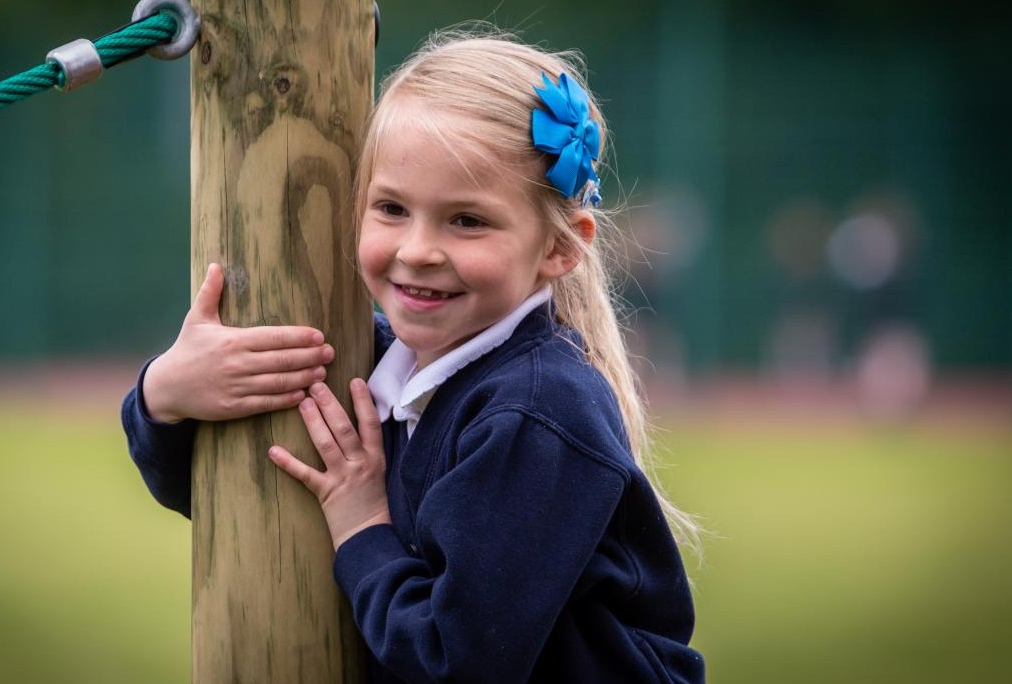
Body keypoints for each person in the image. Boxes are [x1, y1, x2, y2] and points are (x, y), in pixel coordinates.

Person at [122, 28, 704, 684]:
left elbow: (455, 661)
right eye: (392, 208)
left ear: (558, 249)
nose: (417, 250)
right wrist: (164, 395)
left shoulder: (538, 412)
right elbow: (240, 499)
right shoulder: (363, 360)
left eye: (467, 221)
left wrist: (363, 526)